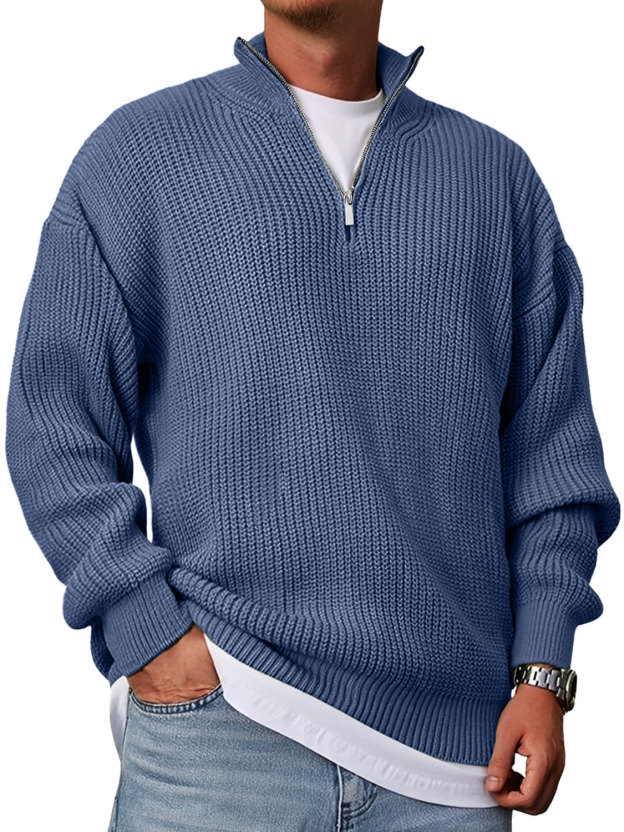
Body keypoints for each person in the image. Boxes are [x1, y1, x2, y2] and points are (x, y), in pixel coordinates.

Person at [5, 1, 619, 829]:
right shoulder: (138, 157)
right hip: (221, 734)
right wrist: (147, 629)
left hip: (452, 765)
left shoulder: (495, 178)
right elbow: (54, 426)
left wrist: (543, 673)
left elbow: (552, 461)